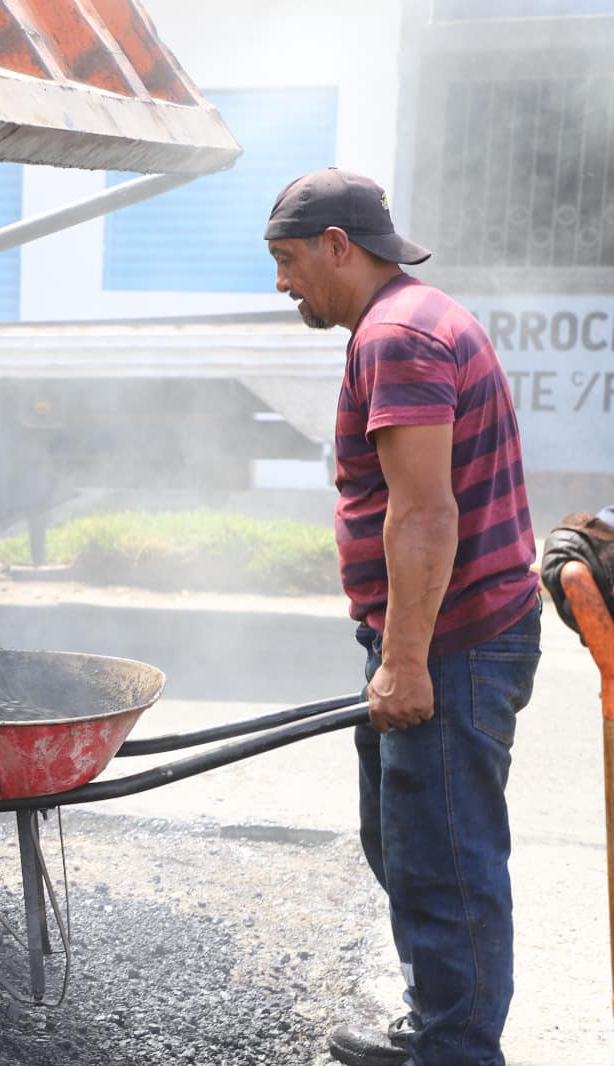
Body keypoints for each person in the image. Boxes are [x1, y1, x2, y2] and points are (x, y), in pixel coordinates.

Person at [264, 168, 542, 1066]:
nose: (282, 283)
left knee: (445, 863)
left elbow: (425, 512)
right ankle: (440, 1026)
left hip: (452, 644)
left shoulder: (399, 338)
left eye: (288, 259)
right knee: (404, 843)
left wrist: (409, 660)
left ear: (339, 246)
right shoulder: (409, 320)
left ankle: (456, 1052)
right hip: (442, 635)